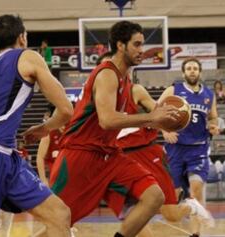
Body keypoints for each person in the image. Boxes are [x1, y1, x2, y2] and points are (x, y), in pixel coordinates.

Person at [49, 20, 178, 237]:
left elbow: (124, 119)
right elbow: (107, 120)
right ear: (120, 45)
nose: (141, 51)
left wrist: (160, 121)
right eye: (136, 45)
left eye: (142, 45)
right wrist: (150, 117)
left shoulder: (126, 80)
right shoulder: (107, 74)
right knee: (59, 224)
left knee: (154, 196)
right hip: (80, 155)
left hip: (108, 155)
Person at [0, 14, 73, 237]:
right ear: (22, 37)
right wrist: (43, 128)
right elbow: (66, 109)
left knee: (59, 214)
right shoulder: (27, 56)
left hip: (4, 156)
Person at [117, 82, 214, 237]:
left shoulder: (135, 90)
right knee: (131, 215)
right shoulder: (99, 101)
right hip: (119, 159)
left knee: (171, 214)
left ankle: (192, 207)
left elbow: (159, 112)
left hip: (146, 153)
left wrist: (165, 128)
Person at [159, 57, 219, 237]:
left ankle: (195, 234)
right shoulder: (173, 90)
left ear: (200, 72)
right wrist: (164, 130)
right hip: (175, 148)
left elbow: (213, 118)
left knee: (196, 190)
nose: (192, 71)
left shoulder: (209, 94)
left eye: (195, 68)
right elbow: (155, 110)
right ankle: (189, 209)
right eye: (189, 68)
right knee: (171, 202)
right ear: (183, 72)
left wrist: (214, 126)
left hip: (198, 148)